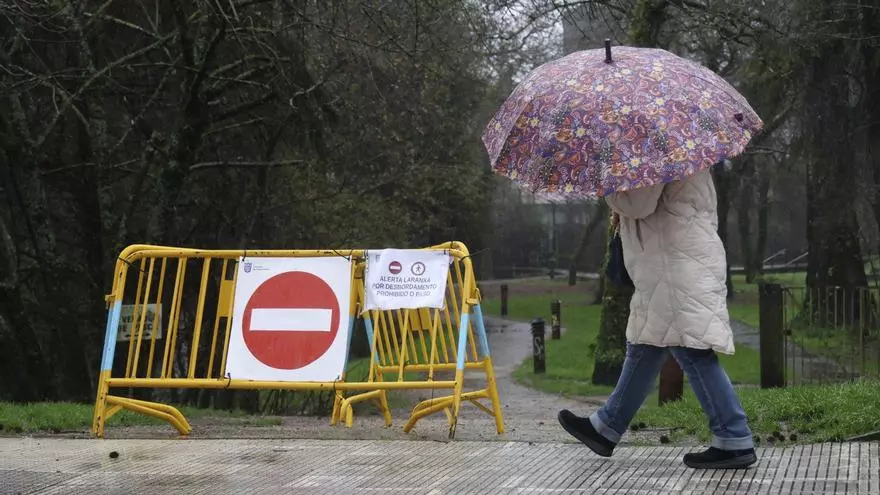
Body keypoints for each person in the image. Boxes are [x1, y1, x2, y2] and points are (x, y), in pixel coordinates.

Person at [557, 168, 757, 470]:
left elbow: (638, 203)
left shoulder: (656, 151)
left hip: (675, 265)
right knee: (645, 345)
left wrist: (607, 189)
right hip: (673, 260)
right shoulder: (678, 148)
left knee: (692, 351)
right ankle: (605, 428)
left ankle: (734, 437)